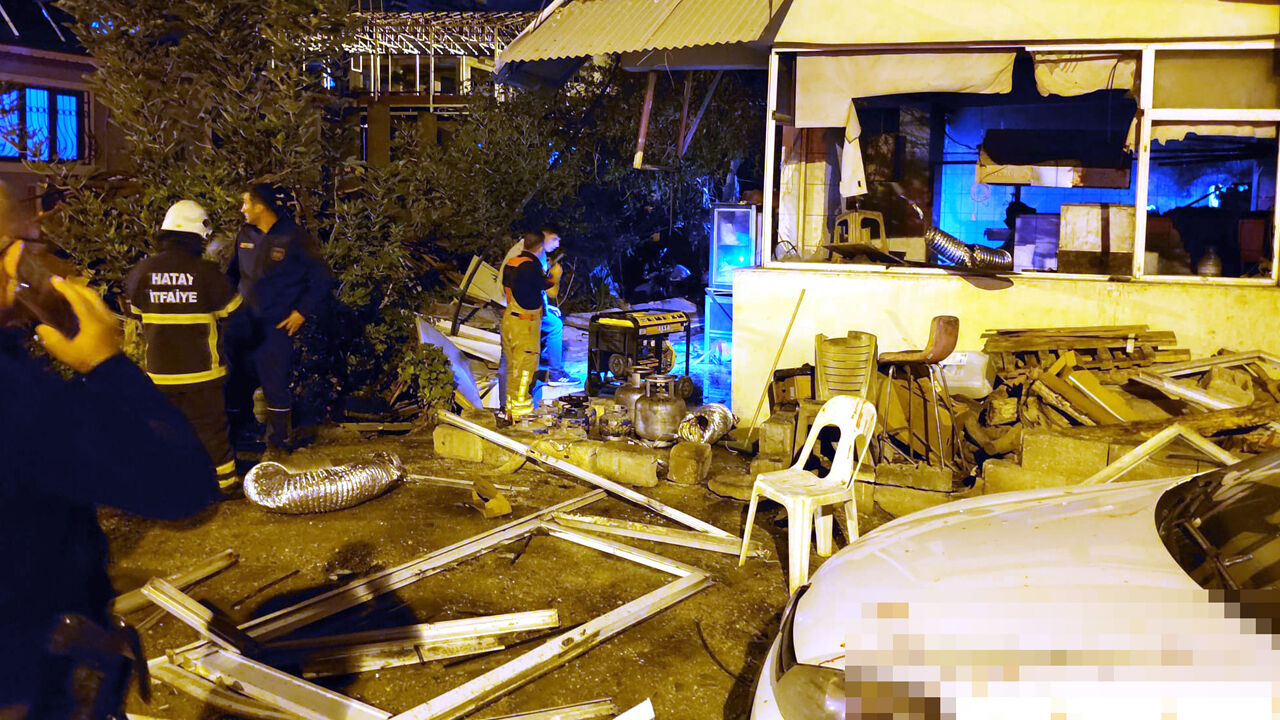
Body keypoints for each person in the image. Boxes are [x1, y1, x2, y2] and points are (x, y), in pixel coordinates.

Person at [0, 239, 218, 719]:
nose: (26, 261)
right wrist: (106, 365)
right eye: (15, 242)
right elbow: (183, 485)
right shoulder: (19, 401)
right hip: (32, 687)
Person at [123, 201, 242, 494]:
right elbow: (233, 313)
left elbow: (134, 312)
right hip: (202, 373)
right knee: (211, 429)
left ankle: (165, 484)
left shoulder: (142, 271)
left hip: (160, 374)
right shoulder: (207, 273)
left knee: (164, 429)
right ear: (199, 235)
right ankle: (225, 484)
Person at [225, 183, 331, 450]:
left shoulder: (293, 237)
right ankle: (244, 438)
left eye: (246, 203)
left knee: (275, 387)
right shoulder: (244, 234)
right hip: (245, 325)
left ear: (261, 206)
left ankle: (279, 445)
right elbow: (231, 275)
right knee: (237, 384)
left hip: (276, 327)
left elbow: (321, 277)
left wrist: (302, 312)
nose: (242, 209)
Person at [498, 224, 569, 385]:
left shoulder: (518, 256)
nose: (557, 244)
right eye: (555, 239)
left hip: (510, 310)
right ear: (542, 237)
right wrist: (556, 276)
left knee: (509, 359)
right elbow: (551, 291)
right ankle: (555, 374)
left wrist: (546, 307)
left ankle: (505, 405)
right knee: (524, 362)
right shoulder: (531, 261)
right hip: (522, 314)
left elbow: (530, 287)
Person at [500, 231, 558, 419]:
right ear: (540, 247)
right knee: (525, 371)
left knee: (512, 369)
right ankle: (521, 415)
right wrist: (557, 274)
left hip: (510, 320)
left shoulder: (511, 262)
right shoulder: (532, 267)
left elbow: (507, 290)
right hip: (526, 325)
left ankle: (509, 411)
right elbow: (552, 292)